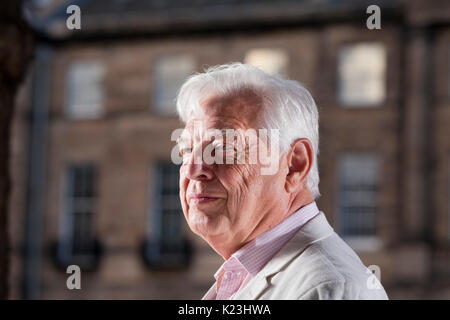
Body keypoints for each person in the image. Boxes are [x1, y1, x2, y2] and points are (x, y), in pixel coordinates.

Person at [175, 63, 388, 300]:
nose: (193, 169)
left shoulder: (332, 290)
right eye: (186, 149)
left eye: (222, 148)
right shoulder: (243, 276)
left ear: (294, 166)